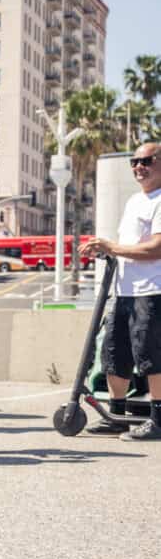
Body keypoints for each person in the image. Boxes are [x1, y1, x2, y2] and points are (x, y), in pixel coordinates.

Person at [80, 142, 161, 441]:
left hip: (152, 291)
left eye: (147, 160)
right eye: (135, 161)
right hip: (124, 290)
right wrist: (104, 250)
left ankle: (158, 419)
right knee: (114, 351)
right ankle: (117, 414)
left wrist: (111, 246)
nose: (139, 166)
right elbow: (127, 247)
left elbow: (156, 248)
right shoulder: (133, 202)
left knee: (151, 355)